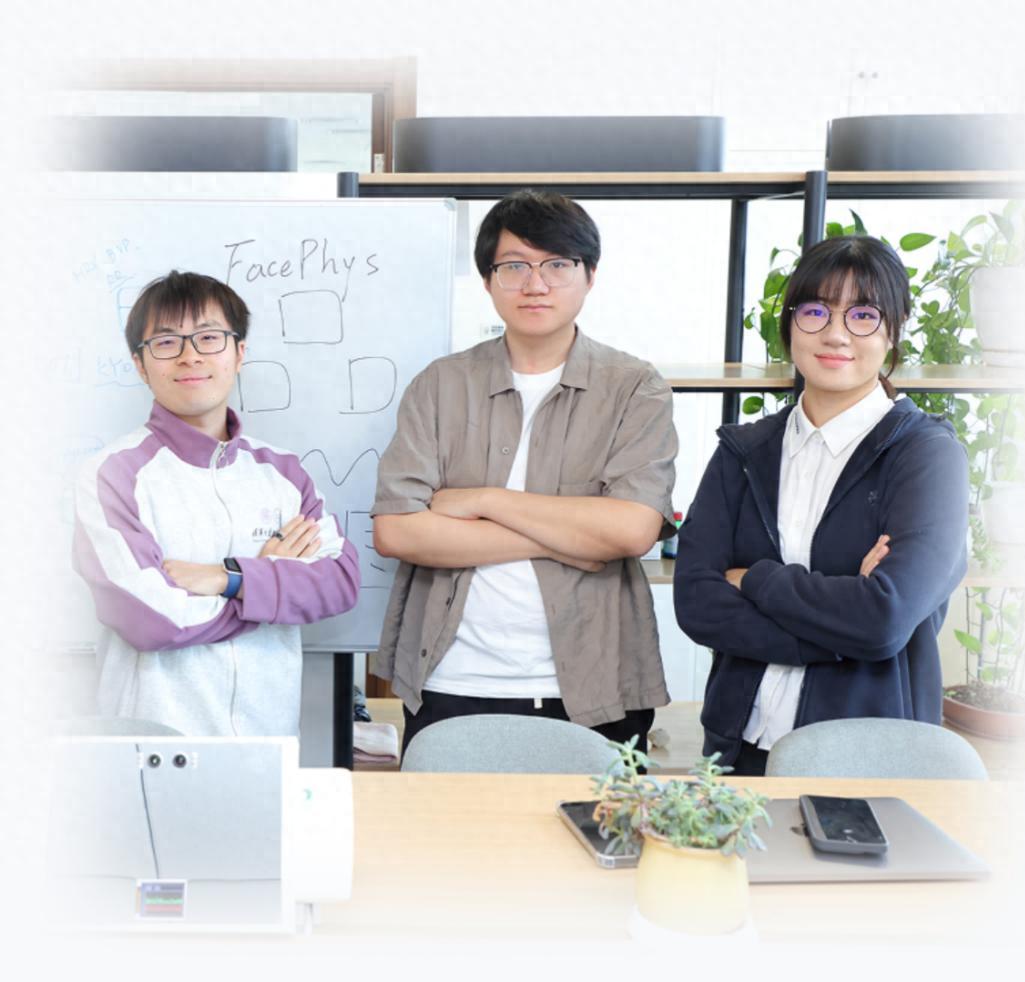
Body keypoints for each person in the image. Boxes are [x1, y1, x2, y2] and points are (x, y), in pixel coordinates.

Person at [371, 189, 678, 755]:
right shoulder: (440, 385)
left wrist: (484, 500)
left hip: (595, 686)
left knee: (597, 819)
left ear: (589, 276)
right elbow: (396, 531)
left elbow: (632, 531)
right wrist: (572, 540)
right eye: (513, 267)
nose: (535, 284)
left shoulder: (635, 388)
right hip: (451, 680)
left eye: (557, 265)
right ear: (488, 281)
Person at [673, 235, 969, 775]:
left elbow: (883, 619)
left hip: (866, 754)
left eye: (863, 315)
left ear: (894, 329)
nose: (835, 333)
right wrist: (841, 629)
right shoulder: (744, 451)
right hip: (739, 750)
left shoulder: (926, 455)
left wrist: (754, 579)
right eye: (814, 311)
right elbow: (696, 602)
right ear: (789, 326)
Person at [73, 271, 360, 736]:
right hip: (154, 741)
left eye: (209, 337)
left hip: (267, 740)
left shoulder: (284, 472)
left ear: (239, 353)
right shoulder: (113, 474)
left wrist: (228, 578)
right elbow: (150, 619)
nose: (190, 355)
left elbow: (340, 583)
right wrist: (271, 590)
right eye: (167, 342)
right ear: (140, 365)